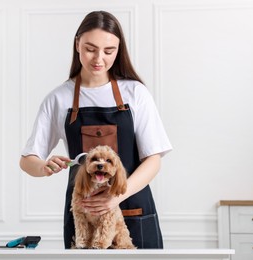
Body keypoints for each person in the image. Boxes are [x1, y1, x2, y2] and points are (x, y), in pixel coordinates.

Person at [20, 10, 172, 249]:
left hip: (133, 207)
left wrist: (115, 197)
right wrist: (43, 166)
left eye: (109, 51)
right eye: (90, 49)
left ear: (118, 50)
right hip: (84, 217)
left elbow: (153, 160)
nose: (99, 58)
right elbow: (28, 160)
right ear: (77, 44)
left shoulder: (136, 93)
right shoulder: (59, 98)